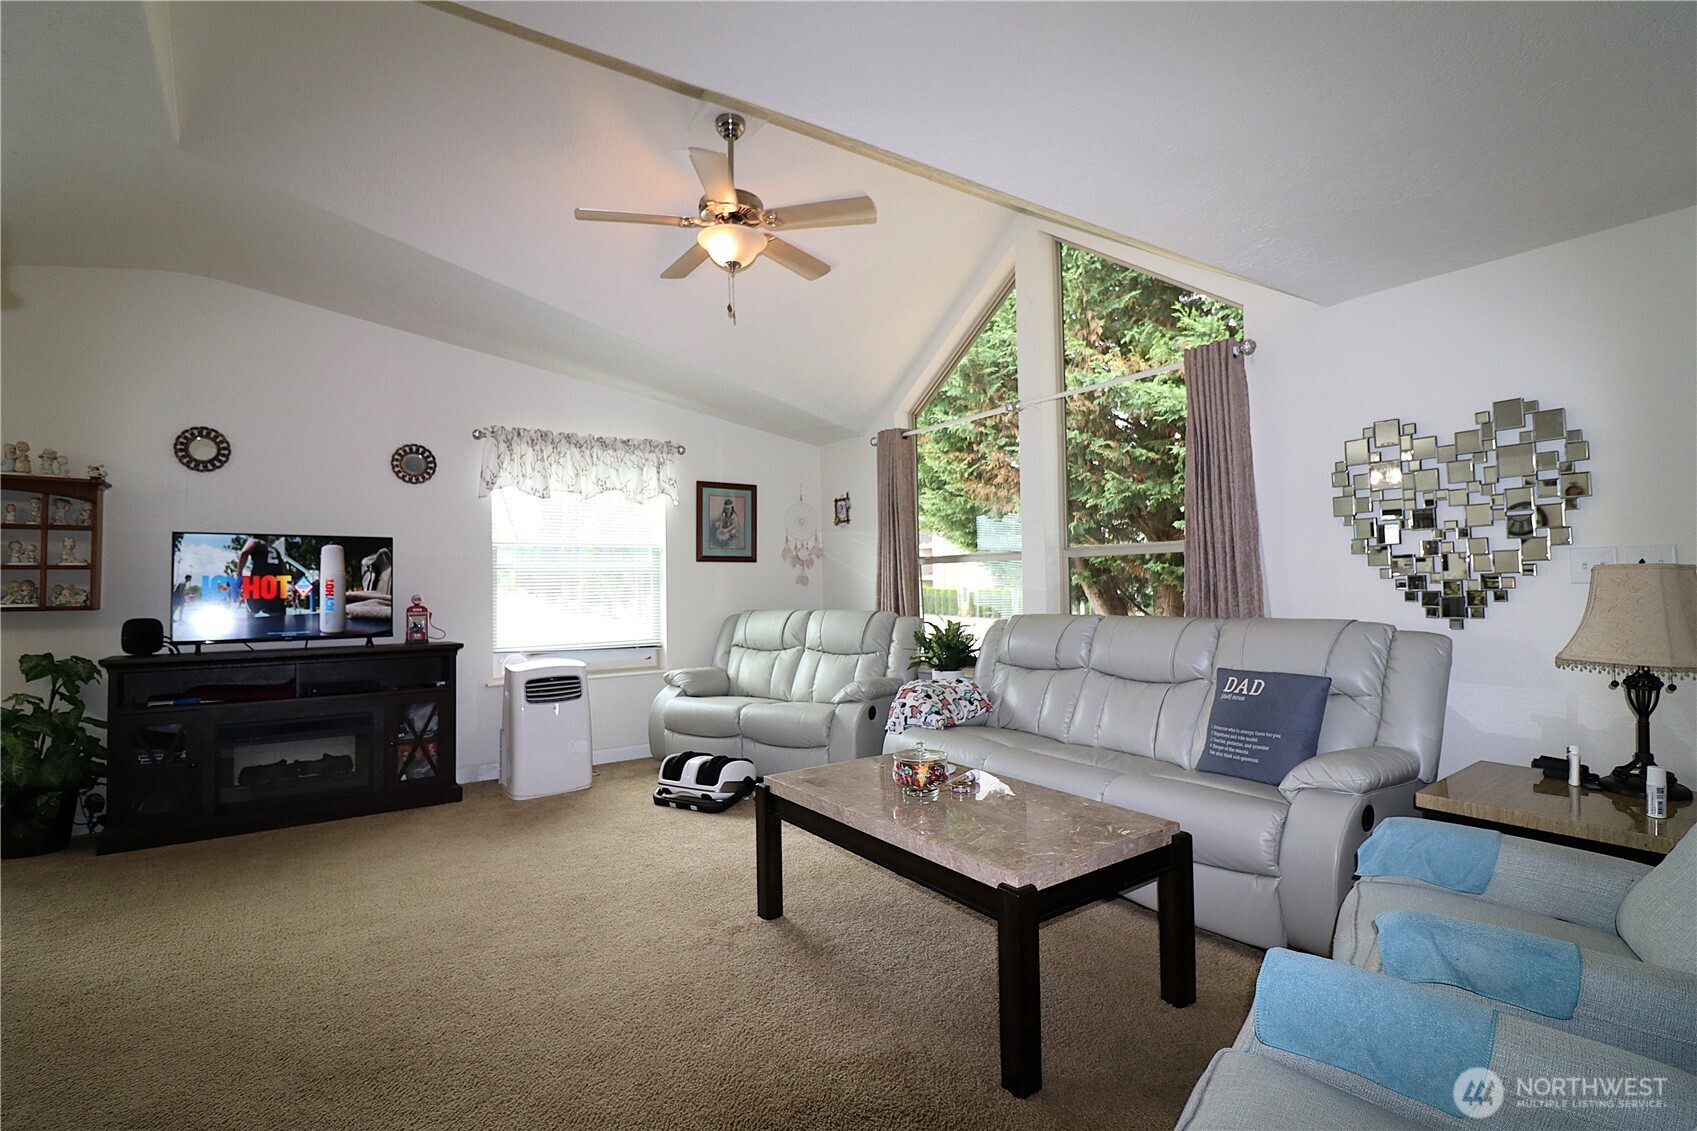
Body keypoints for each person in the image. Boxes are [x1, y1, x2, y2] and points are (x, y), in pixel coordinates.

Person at [234, 536, 286, 618]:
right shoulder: (275, 550)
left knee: (251, 613)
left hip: (259, 583)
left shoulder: (255, 542)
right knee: (277, 617)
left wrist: (239, 574)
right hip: (274, 586)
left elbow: (244, 553)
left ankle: (250, 630)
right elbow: (283, 566)